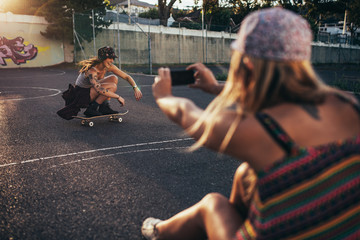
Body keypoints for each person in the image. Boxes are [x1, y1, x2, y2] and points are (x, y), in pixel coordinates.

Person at [141, 7, 360, 240]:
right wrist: (216, 87)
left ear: (249, 62)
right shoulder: (346, 104)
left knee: (212, 204)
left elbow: (187, 114)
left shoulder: (259, 132)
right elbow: (277, 98)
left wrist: (165, 97)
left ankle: (157, 232)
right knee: (246, 175)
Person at [57, 46, 142, 120]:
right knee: (112, 86)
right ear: (102, 58)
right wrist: (118, 97)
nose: (112, 61)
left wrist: (135, 88)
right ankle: (91, 109)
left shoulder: (108, 67)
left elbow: (126, 76)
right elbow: (98, 89)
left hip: (89, 91)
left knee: (113, 78)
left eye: (113, 58)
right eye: (110, 58)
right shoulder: (92, 70)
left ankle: (104, 107)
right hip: (81, 95)